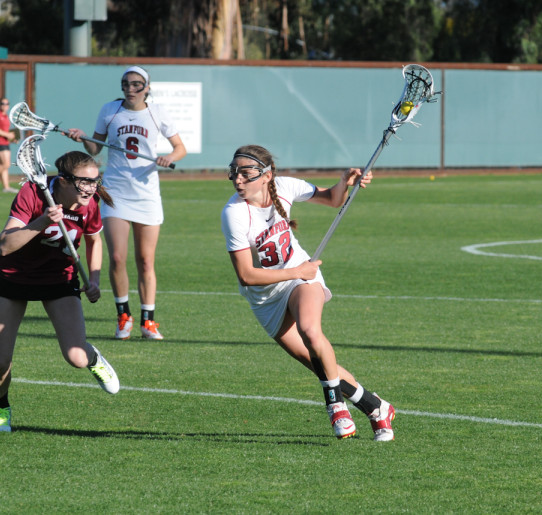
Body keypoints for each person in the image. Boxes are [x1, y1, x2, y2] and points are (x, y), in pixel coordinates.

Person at [220, 145, 395, 441]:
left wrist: (344, 181)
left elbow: (331, 199)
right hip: (266, 296)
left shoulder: (285, 186)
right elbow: (247, 276)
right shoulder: (233, 213)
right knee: (318, 363)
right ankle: (376, 407)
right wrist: (296, 272)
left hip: (301, 279)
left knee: (311, 331)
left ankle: (335, 407)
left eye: (245, 174)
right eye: (234, 173)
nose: (238, 180)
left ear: (266, 176)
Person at [0, 150, 120, 432]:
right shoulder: (32, 193)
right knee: (0, 364)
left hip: (58, 280)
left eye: (95, 181)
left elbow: (95, 242)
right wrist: (42, 222)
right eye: (84, 182)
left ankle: (93, 357)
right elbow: (5, 245)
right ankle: (1, 408)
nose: (91, 188)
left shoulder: (91, 203)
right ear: (63, 180)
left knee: (77, 358)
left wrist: (94, 279)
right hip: (14, 278)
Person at [67, 65, 187, 341]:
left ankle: (149, 321)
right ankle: (123, 316)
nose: (130, 89)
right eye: (125, 84)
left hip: (146, 194)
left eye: (136, 84)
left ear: (147, 87)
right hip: (115, 192)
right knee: (118, 257)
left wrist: (171, 158)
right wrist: (82, 138)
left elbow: (180, 147)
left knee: (146, 260)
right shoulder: (110, 110)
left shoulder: (158, 113)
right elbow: (95, 149)